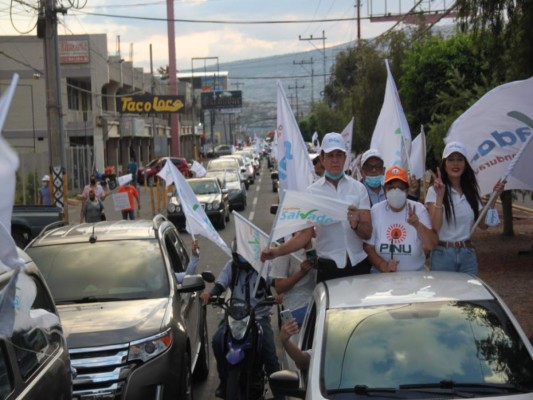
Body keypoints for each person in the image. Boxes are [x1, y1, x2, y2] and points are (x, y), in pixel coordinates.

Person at [261, 132, 373, 282]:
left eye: (339, 155)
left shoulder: (359, 189)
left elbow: (367, 233)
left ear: (345, 158)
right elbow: (304, 235)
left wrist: (356, 224)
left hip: (359, 265)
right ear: (322, 159)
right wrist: (276, 252)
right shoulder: (312, 192)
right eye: (330, 155)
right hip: (328, 269)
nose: (335, 160)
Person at [200, 242, 282, 399]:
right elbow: (220, 284)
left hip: (259, 317)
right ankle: (224, 381)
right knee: (218, 341)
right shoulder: (231, 266)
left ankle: (280, 395)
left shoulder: (265, 266)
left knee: (269, 354)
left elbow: (276, 283)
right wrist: (210, 295)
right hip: (235, 317)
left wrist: (279, 294)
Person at [425, 141, 506, 275]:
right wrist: (440, 196)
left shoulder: (472, 192)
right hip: (442, 254)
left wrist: (495, 196)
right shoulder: (433, 191)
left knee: (470, 295)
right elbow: (435, 226)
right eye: (450, 159)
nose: (455, 164)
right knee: (445, 296)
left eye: (460, 159)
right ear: (444, 164)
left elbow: (483, 224)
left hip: (467, 254)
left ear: (465, 164)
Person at [363, 166, 438, 272]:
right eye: (391, 187)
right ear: (385, 190)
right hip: (381, 280)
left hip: (415, 279)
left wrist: (417, 225)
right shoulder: (376, 210)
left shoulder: (419, 209)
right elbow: (368, 247)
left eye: (400, 187)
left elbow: (431, 245)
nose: (395, 191)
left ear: (407, 191)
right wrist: (383, 265)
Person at [271, 238, 316, 326]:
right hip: (295, 308)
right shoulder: (285, 249)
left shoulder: (319, 243)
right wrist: (301, 273)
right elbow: (279, 287)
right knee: (291, 339)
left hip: (318, 304)